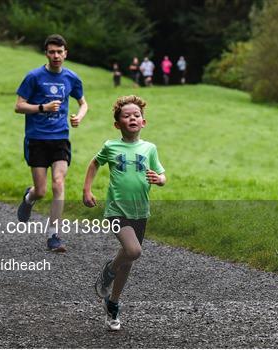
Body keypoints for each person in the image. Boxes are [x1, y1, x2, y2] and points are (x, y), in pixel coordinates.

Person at [83, 95, 166, 331]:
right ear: (117, 124)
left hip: (140, 211)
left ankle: (113, 304)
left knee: (128, 260)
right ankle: (108, 272)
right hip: (116, 210)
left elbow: (162, 174)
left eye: (136, 115)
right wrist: (87, 190)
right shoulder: (111, 146)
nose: (132, 118)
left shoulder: (150, 148)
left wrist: (159, 179)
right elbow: (94, 164)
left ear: (143, 122)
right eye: (126, 116)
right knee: (133, 251)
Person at [15, 34, 88, 252]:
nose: (56, 56)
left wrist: (79, 117)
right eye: (52, 52)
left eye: (60, 52)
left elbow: (83, 103)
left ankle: (54, 235)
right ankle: (29, 198)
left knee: (58, 183)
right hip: (37, 138)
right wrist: (42, 108)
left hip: (60, 138)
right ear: (46, 53)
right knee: (41, 191)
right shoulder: (34, 77)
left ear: (66, 53)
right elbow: (19, 106)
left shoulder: (72, 78)